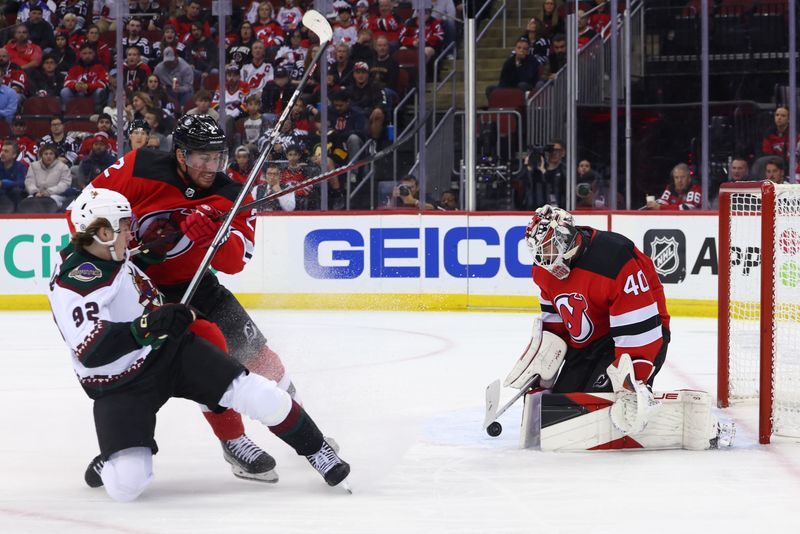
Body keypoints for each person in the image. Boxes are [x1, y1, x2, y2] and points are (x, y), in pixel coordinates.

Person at [48, 188, 349, 501]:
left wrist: (155, 253)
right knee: (128, 485)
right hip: (120, 384)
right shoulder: (76, 283)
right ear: (104, 232)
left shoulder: (105, 253)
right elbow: (93, 350)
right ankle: (112, 459)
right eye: (124, 227)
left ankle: (319, 452)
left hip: (168, 352)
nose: (130, 232)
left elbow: (129, 271)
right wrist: (149, 324)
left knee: (255, 391)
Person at [87, 115, 312, 482]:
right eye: (201, 158)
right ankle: (234, 441)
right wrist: (117, 252)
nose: (211, 167)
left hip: (198, 282)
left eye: (217, 158)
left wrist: (214, 236)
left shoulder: (230, 194)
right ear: (180, 154)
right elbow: (85, 209)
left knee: (261, 357)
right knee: (210, 360)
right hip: (142, 290)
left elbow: (237, 262)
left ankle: (303, 423)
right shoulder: (139, 166)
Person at [519, 203, 669, 399]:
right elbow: (555, 325)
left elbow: (639, 326)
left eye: (548, 248)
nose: (544, 258)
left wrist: (634, 374)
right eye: (539, 252)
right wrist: (544, 366)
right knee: (562, 404)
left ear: (564, 236)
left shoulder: (614, 257)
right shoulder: (543, 271)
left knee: (600, 404)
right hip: (588, 344)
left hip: (641, 337)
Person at [20, 144, 71, 213]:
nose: (48, 156)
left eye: (51, 154)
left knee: (51, 201)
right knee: (28, 202)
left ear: (55, 156)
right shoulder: (33, 166)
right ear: (41, 155)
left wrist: (48, 192)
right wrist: (35, 192)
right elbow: (29, 182)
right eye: (46, 154)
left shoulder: (63, 167)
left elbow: (64, 184)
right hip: (36, 195)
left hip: (56, 195)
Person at [60, 43, 109, 112]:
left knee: (99, 91)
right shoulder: (75, 68)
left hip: (92, 95)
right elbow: (66, 82)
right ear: (80, 54)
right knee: (65, 91)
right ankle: (71, 113)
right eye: (84, 53)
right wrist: (75, 85)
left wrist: (87, 86)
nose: (87, 56)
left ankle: (96, 112)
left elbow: (104, 84)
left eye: (90, 53)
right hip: (77, 94)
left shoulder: (100, 67)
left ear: (94, 54)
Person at [0, 141, 26, 213]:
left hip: (13, 196)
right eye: (2, 150)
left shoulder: (20, 167)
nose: (2, 153)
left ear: (14, 155)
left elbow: (22, 183)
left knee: (16, 191)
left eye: (6, 151)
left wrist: (4, 183)